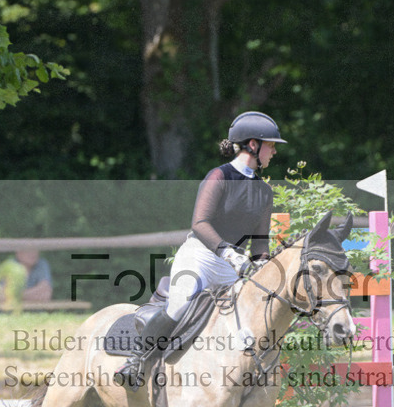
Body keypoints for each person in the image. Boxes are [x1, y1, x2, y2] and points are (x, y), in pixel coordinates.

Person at [116, 111, 286, 389]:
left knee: (248, 316)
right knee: (180, 305)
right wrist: (228, 252)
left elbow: (259, 243)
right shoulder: (219, 176)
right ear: (253, 145)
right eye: (271, 144)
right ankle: (137, 361)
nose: (275, 151)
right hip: (201, 256)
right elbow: (200, 223)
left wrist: (262, 264)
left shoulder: (264, 193)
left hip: (231, 269)